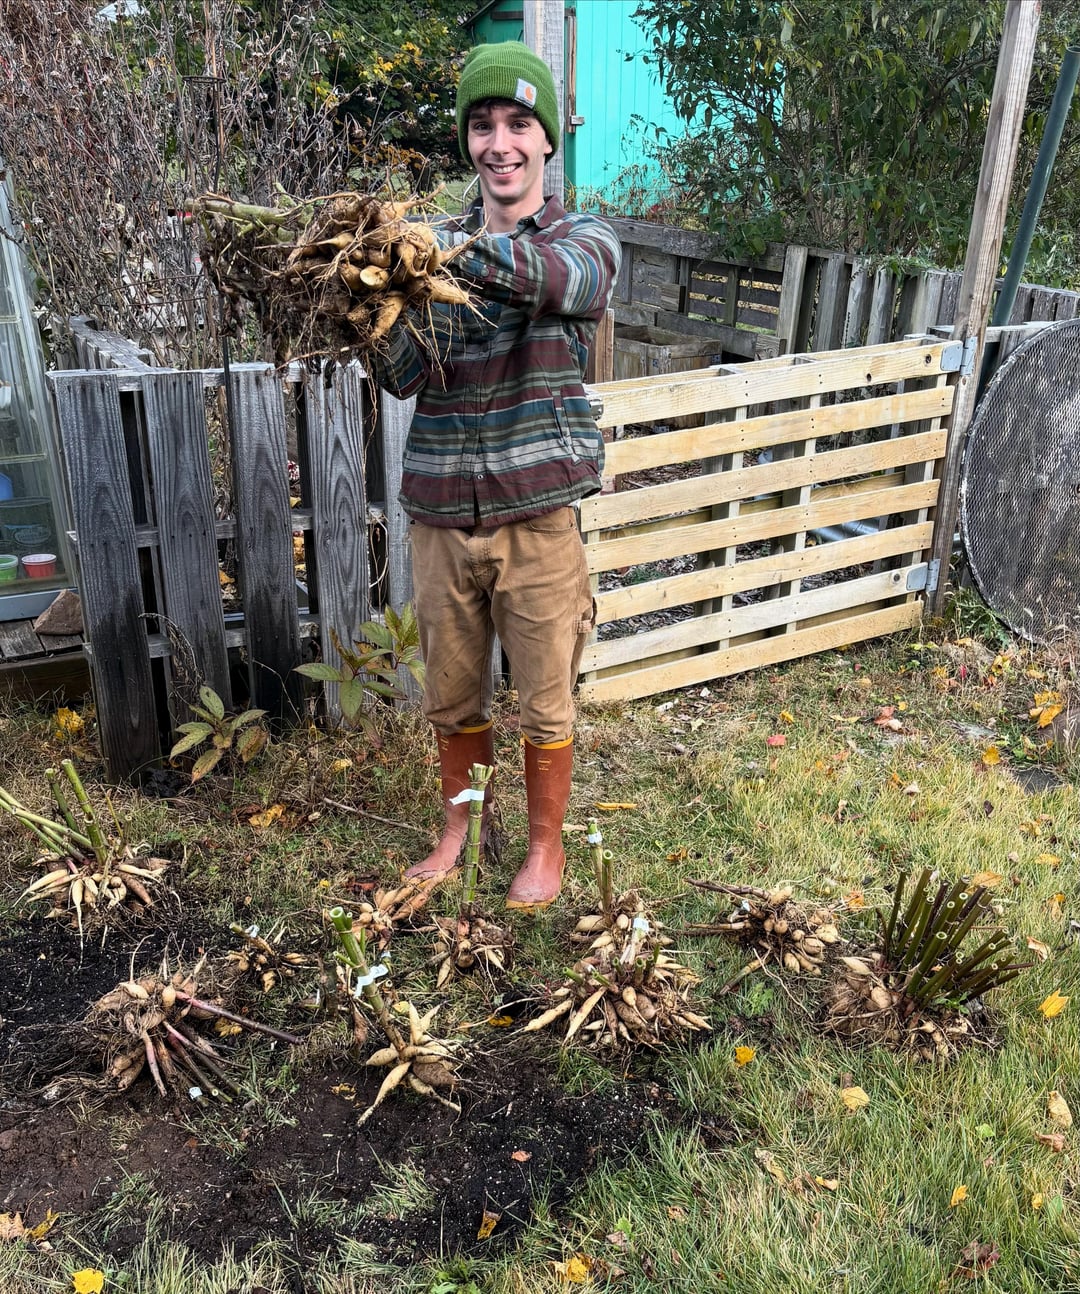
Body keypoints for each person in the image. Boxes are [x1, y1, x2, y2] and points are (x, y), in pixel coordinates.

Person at [371, 40, 621, 910]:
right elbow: (405, 374)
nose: (500, 143)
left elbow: (567, 284)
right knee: (451, 693)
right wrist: (366, 305)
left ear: (547, 139)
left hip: (538, 511)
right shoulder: (423, 249)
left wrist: (444, 258)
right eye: (482, 126)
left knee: (546, 698)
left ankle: (546, 849)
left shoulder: (584, 239)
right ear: (467, 142)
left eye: (519, 123)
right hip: (441, 510)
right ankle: (460, 832)